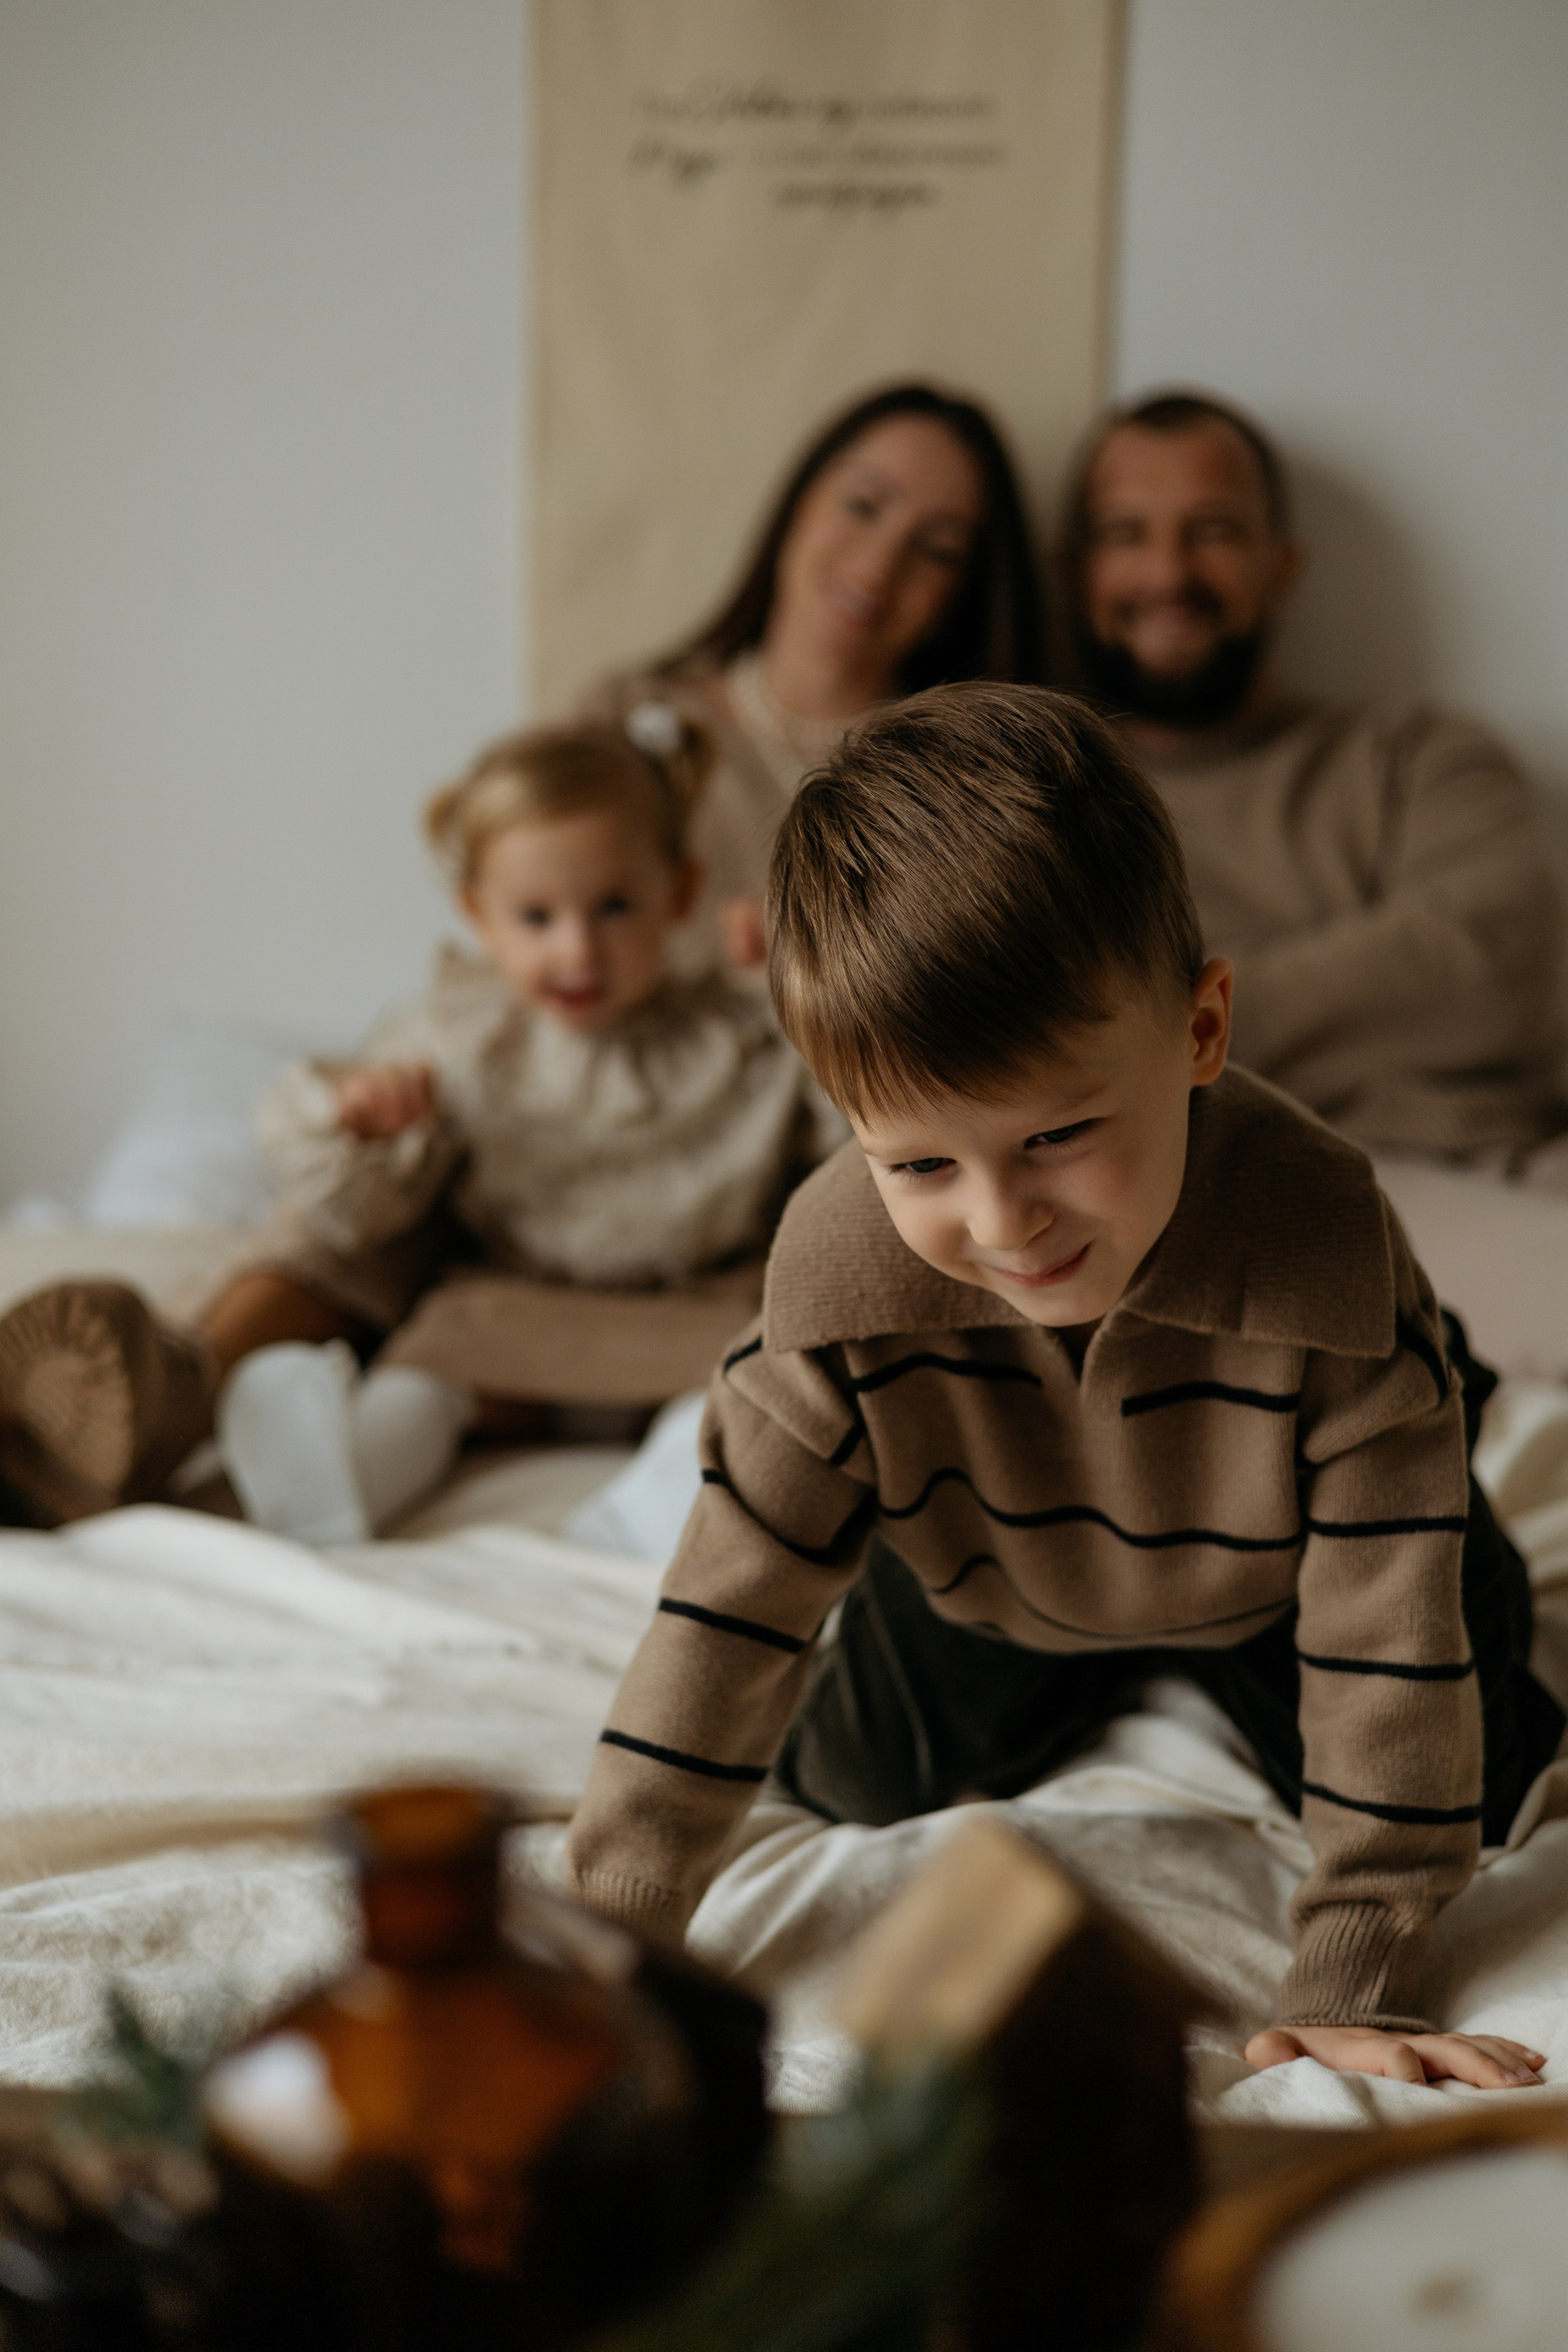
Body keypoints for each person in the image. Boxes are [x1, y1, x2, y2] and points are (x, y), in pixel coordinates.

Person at [564, 681, 1563, 2087]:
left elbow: (1383, 1640)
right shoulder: (838, 1284)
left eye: (1056, 1133)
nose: (998, 1219)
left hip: (1287, 1565)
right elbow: (727, 1616)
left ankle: (1435, 1463)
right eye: (917, 1161)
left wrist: (1358, 1976)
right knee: (854, 1771)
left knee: (1492, 1762)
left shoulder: (1316, 1241)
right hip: (995, 1557)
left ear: (1201, 1030)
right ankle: (1054, 1629)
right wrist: (606, 1934)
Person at [0, 714, 845, 1536]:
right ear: (478, 916)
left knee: (738, 1395)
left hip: (687, 1313)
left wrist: (813, 996)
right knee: (417, 1390)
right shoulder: (459, 1040)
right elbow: (353, 1211)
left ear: (682, 892)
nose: (579, 950)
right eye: (537, 919)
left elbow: (845, 1137)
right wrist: (359, 1123)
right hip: (508, 1308)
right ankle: (316, 1479)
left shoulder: (740, 1032)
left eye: (615, 907)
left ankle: (654, 1516)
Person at [1060, 388, 1568, 1164]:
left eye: (1214, 531)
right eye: (1126, 534)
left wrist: (1155, 1038)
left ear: (1281, 567)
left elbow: (1497, 973)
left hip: (1484, 1179)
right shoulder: (1032, 799)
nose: (1168, 572)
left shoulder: (1421, 756)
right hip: (1194, 1213)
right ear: (1074, 571)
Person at [583, 380, 1046, 972]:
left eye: (938, 550)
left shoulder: (963, 783)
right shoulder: (623, 718)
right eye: (863, 505)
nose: (879, 566)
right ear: (800, 502)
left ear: (963, 596)